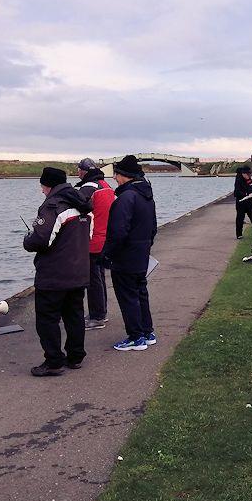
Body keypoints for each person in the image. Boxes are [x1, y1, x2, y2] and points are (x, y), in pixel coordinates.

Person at [24, 167, 92, 376]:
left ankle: (53, 361)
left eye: (42, 186)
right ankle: (75, 356)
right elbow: (87, 236)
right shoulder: (83, 205)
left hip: (54, 274)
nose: (42, 191)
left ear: (48, 185)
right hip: (78, 271)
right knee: (75, 315)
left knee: (47, 318)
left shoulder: (53, 206)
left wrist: (28, 238)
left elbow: (41, 240)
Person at [102, 155, 158, 351]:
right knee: (140, 292)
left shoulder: (125, 198)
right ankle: (147, 331)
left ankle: (135, 337)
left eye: (116, 175)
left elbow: (118, 232)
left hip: (125, 256)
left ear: (124, 175)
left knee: (127, 296)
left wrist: (107, 254)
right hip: (141, 254)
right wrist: (145, 246)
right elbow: (153, 228)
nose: (115, 179)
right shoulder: (146, 196)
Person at [75, 158, 115, 330]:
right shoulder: (106, 186)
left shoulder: (88, 187)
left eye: (78, 170)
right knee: (99, 277)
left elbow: (76, 207)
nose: (77, 173)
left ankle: (97, 316)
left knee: (92, 279)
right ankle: (100, 312)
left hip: (92, 239)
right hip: (105, 238)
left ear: (83, 171)